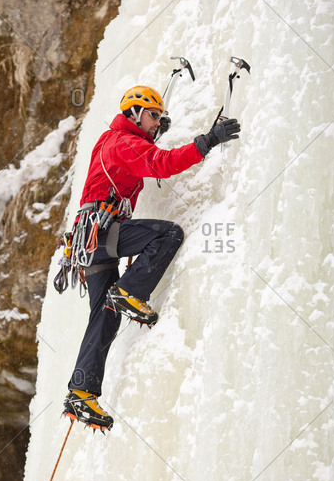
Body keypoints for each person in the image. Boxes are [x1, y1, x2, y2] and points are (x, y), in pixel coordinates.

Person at [62, 85, 240, 432]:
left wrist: (152, 136)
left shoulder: (113, 139)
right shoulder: (123, 141)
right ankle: (129, 291)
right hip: (103, 231)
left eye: (160, 116)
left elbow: (139, 160)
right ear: (133, 113)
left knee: (105, 315)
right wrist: (207, 141)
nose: (158, 122)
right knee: (168, 233)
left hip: (90, 241)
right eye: (153, 115)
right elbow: (160, 165)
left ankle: (81, 391)